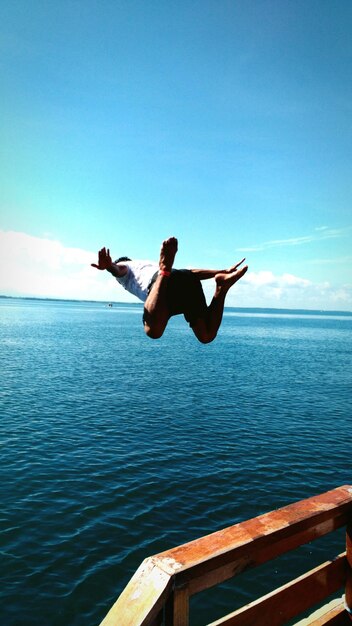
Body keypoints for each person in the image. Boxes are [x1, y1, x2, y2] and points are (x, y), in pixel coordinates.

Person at [91, 237, 248, 343]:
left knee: (153, 331)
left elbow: (119, 270)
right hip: (185, 280)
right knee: (206, 336)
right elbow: (191, 273)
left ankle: (165, 270)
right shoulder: (146, 264)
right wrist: (220, 271)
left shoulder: (127, 269)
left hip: (162, 285)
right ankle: (221, 287)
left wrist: (109, 267)